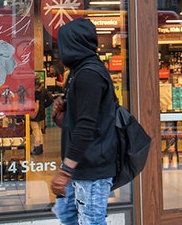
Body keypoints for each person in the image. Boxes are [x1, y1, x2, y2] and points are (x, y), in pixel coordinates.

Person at [49, 18, 118, 225]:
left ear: (73, 44)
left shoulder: (89, 74)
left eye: (62, 45)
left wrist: (65, 170)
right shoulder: (78, 73)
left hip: (92, 169)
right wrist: (62, 113)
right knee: (68, 216)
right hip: (80, 165)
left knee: (91, 221)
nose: (60, 52)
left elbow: (87, 126)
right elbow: (78, 124)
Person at [30, 75, 53, 155]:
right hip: (41, 112)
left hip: (33, 113)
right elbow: (50, 99)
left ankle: (37, 147)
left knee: (35, 130)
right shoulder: (43, 89)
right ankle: (40, 146)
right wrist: (44, 106)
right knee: (39, 129)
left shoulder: (30, 90)